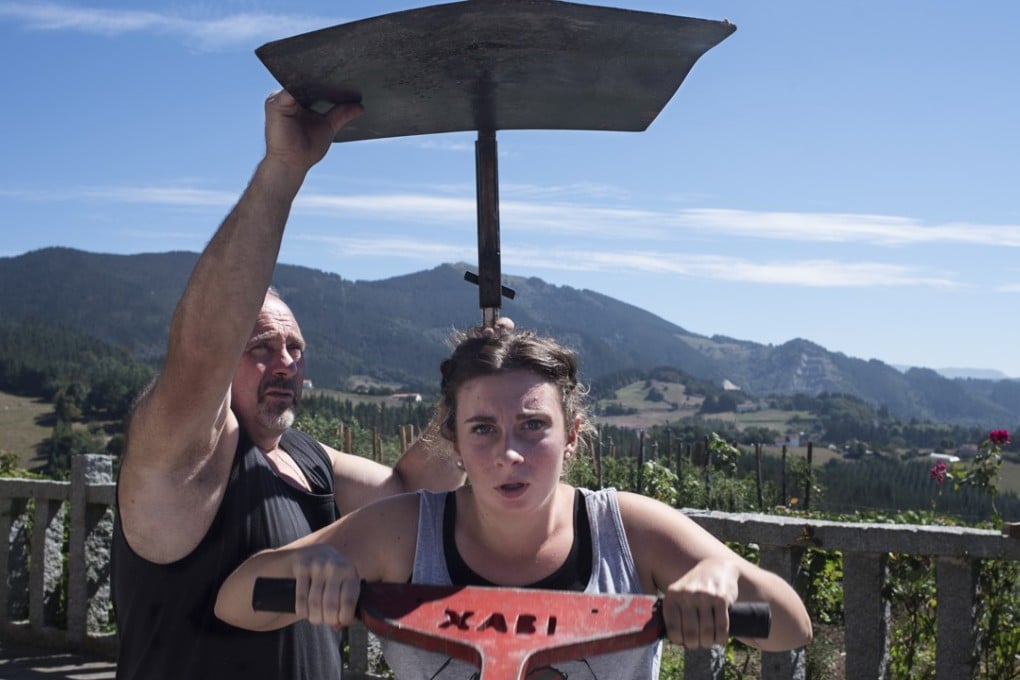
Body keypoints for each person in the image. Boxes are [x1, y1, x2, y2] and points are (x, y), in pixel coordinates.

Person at [214, 325, 814, 679]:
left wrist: (723, 578)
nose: (509, 454)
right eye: (483, 429)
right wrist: (314, 568)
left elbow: (792, 625)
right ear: (453, 440)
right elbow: (236, 600)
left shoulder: (626, 530)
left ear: (572, 435)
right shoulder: (404, 531)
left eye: (533, 426)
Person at [111, 90, 466, 680]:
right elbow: (200, 354)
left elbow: (409, 492)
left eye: (295, 349)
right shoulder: (180, 462)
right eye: (260, 347)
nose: (285, 363)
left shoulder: (305, 457)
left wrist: (468, 390)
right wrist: (284, 170)